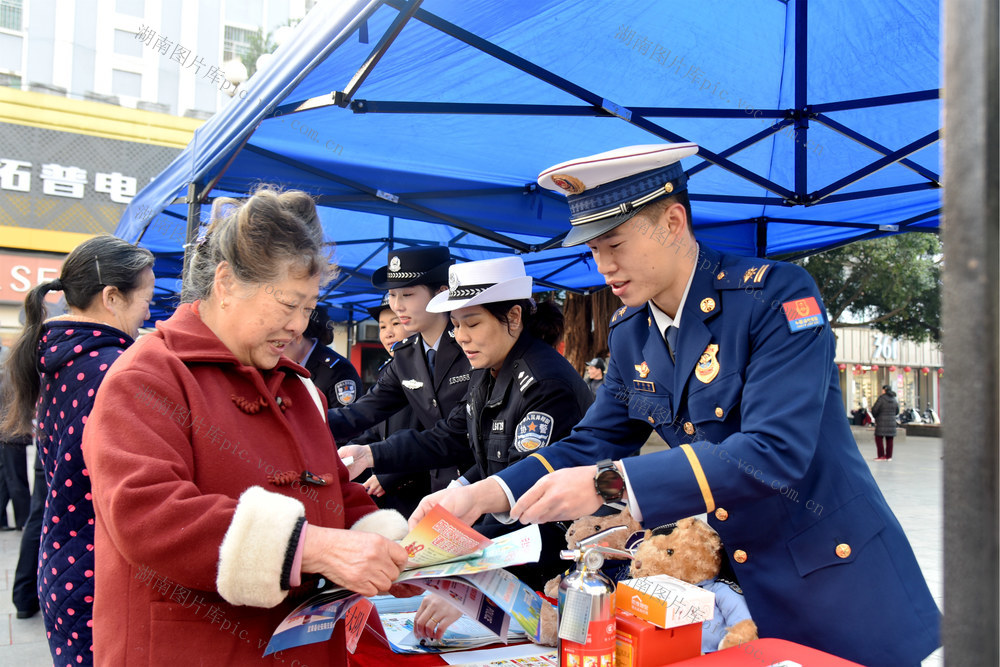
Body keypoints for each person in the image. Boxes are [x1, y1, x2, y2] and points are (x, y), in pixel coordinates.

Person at [410, 144, 940, 667]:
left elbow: (774, 450)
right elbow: (596, 438)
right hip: (735, 589)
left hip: (831, 579)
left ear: (672, 221)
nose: (604, 266)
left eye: (615, 243)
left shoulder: (772, 297)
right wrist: (485, 493)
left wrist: (607, 485)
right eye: (593, 249)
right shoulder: (631, 331)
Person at [79, 188, 408, 665]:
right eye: (288, 305)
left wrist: (396, 547)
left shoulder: (299, 387)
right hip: (194, 647)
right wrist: (309, 547)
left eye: (309, 308)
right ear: (227, 283)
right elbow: (147, 514)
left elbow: (333, 488)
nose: (299, 326)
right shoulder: (148, 375)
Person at [342, 256, 593, 640]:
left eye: (472, 324)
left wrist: (470, 578)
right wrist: (454, 488)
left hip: (549, 563)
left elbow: (526, 488)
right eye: (456, 324)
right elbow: (456, 437)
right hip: (513, 551)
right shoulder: (489, 370)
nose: (461, 337)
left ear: (513, 317)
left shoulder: (544, 383)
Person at [0, 234, 156, 664]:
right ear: (112, 297)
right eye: (146, 299)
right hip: (97, 574)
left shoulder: (63, 357)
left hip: (65, 563)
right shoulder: (113, 372)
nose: (148, 312)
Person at [326, 246, 475, 491]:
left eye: (407, 294)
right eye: (392, 295)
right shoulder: (406, 355)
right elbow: (362, 412)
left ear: (442, 293)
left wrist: (372, 454)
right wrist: (301, 422)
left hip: (482, 483)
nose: (397, 306)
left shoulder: (471, 345)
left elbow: (458, 432)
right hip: (440, 487)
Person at [351, 294, 430, 516]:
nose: (388, 333)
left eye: (396, 323)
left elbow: (434, 435)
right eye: (382, 326)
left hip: (420, 489)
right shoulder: (390, 370)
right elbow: (374, 428)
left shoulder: (428, 370)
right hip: (388, 491)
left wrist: (390, 476)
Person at [283, 305, 363, 407]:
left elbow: (348, 414)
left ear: (297, 336)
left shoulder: (338, 371)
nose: (277, 349)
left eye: (280, 342)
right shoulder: (286, 367)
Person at [871, 384, 900, 461]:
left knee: (878, 438)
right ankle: (888, 456)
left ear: (884, 390)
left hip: (881, 422)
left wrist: (876, 417)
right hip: (892, 422)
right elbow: (897, 411)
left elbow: (875, 409)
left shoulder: (881, 399)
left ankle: (881, 456)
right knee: (890, 439)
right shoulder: (894, 399)